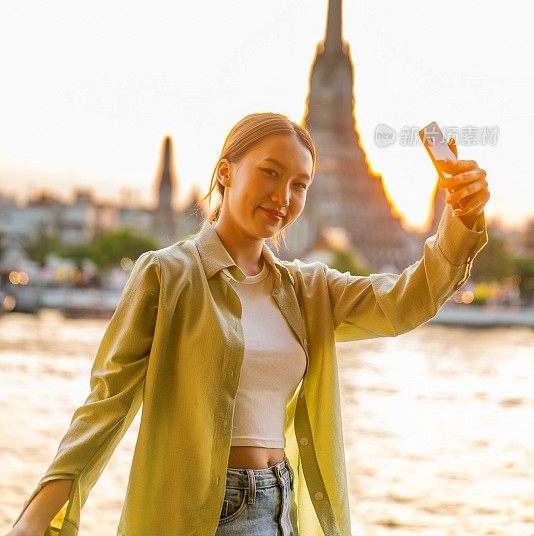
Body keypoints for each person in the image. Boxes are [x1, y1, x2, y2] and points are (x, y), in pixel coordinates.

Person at [7, 112, 490, 536]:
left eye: (299, 184)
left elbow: (406, 302)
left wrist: (462, 217)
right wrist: (37, 516)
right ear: (225, 173)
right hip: (201, 511)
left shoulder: (309, 290)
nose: (283, 196)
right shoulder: (166, 274)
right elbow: (107, 402)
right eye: (270, 173)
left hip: (283, 505)